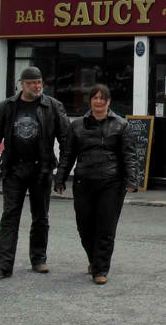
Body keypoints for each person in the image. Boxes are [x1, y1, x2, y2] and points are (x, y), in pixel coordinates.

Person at [0, 66, 69, 278]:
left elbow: (66, 140)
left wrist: (62, 174)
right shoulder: (7, 106)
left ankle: (39, 259)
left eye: (39, 82)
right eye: (32, 83)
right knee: (9, 216)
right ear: (22, 84)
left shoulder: (53, 106)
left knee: (40, 217)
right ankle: (3, 264)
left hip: (42, 168)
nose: (37, 86)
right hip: (14, 168)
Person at [54, 84, 139, 285]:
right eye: (95, 98)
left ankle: (100, 269)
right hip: (84, 181)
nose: (99, 101)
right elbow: (68, 155)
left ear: (109, 102)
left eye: (103, 98)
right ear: (90, 100)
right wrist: (60, 178)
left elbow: (129, 155)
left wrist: (132, 180)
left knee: (105, 227)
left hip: (112, 183)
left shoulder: (121, 125)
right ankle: (93, 258)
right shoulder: (77, 126)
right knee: (84, 226)